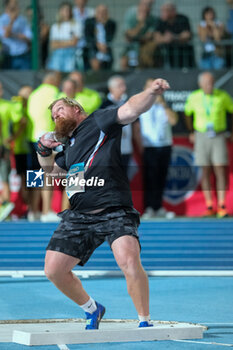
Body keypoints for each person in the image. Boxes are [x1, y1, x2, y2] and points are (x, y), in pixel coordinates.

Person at [37, 78, 170, 329]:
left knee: (129, 260)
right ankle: (92, 309)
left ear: (76, 108)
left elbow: (131, 108)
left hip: (113, 209)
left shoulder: (99, 121)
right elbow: (53, 175)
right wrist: (43, 151)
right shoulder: (68, 148)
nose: (56, 116)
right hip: (79, 215)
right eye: (53, 116)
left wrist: (150, 91)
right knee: (53, 269)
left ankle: (144, 321)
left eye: (60, 110)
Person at [184, 72, 233, 218]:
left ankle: (222, 205)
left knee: (219, 168)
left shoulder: (222, 96)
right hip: (201, 135)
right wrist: (191, 131)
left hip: (218, 134)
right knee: (204, 170)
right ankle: (209, 204)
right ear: (200, 84)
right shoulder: (194, 97)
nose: (209, 86)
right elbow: (187, 114)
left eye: (211, 83)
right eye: (206, 83)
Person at [136, 79, 178, 219]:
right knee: (150, 178)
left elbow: (173, 121)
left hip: (165, 145)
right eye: (150, 86)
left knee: (162, 177)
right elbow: (136, 127)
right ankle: (149, 208)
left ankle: (159, 207)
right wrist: (141, 146)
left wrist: (164, 105)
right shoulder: (141, 105)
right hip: (149, 146)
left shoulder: (163, 104)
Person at [27, 72, 61, 222]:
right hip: (48, 137)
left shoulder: (34, 94)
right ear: (53, 81)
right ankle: (46, 211)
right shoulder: (54, 92)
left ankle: (33, 210)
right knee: (48, 174)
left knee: (35, 175)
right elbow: (58, 114)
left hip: (33, 136)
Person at [101, 75, 135, 178]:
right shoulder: (104, 106)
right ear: (111, 88)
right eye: (120, 86)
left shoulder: (127, 104)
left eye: (124, 85)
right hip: (111, 151)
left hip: (126, 149)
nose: (124, 88)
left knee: (124, 180)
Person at [154, 2, 195, 68]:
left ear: (172, 11)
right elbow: (156, 37)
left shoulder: (183, 19)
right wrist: (165, 39)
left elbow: (187, 35)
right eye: (162, 10)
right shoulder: (160, 21)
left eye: (165, 10)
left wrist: (174, 37)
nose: (162, 13)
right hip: (167, 53)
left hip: (183, 52)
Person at [121, 0, 159, 70]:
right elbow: (128, 35)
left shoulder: (153, 19)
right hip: (130, 47)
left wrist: (134, 37)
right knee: (125, 63)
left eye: (149, 5)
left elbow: (148, 37)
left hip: (143, 48)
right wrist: (140, 24)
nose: (146, 8)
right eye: (144, 5)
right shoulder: (130, 15)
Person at [46, 2, 81, 73]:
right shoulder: (55, 27)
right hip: (57, 55)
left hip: (71, 54)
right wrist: (68, 42)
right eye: (64, 10)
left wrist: (59, 43)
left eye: (68, 10)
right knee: (55, 72)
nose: (66, 12)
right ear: (60, 12)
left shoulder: (76, 25)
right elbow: (53, 45)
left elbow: (74, 42)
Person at [0, 0, 32, 69]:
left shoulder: (23, 19)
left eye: (16, 3)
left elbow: (29, 37)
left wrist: (13, 34)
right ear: (7, 5)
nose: (16, 5)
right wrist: (11, 21)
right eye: (13, 3)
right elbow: (5, 35)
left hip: (23, 55)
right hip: (8, 57)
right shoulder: (2, 20)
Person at [84, 4, 116, 71]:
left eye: (104, 12)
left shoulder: (111, 24)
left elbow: (110, 38)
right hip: (93, 49)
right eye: (99, 12)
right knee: (95, 63)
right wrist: (97, 44)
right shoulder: (89, 22)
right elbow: (88, 38)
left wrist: (104, 24)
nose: (101, 14)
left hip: (105, 49)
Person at [0, 82, 15, 221]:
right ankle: (4, 205)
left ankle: (6, 208)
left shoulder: (7, 106)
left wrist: (10, 138)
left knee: (5, 179)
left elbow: (19, 120)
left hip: (3, 147)